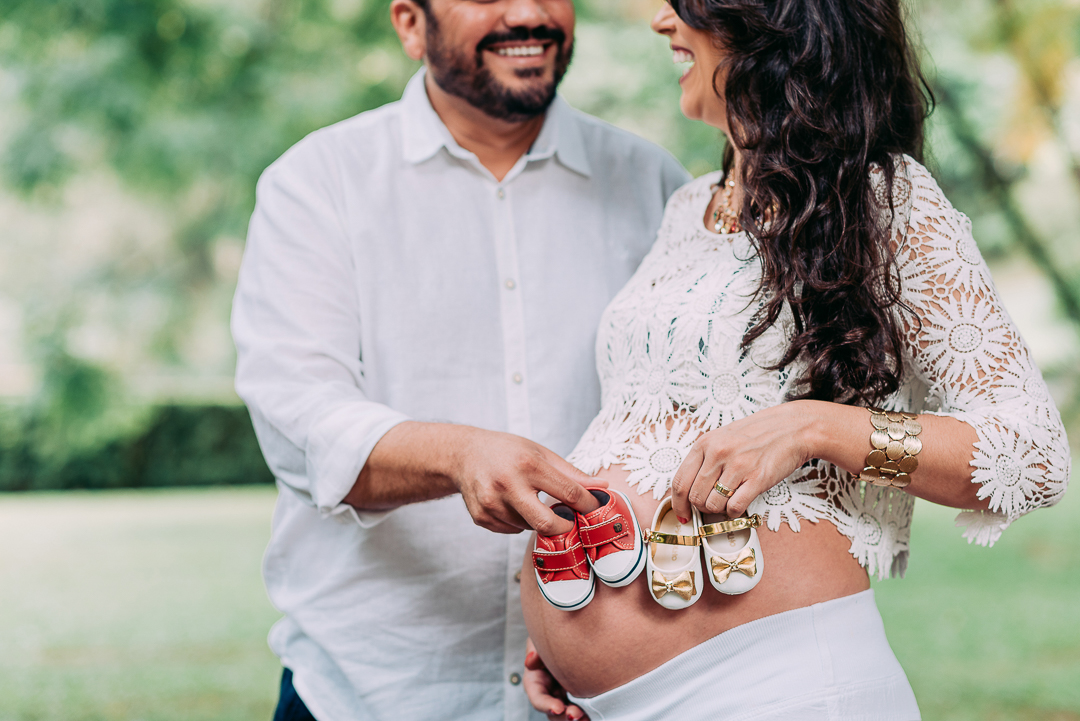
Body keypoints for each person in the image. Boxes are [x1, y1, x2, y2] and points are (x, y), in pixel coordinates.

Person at [521, 0, 1071, 718]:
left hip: (780, 687)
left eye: (683, 5)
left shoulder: (883, 199)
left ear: (768, 19)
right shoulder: (689, 207)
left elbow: (1032, 453)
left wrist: (815, 427)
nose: (661, 22)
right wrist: (580, 650)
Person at [230, 0, 690, 717]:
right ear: (411, 24)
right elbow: (300, 419)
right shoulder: (319, 181)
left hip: (593, 688)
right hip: (370, 691)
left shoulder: (654, 184)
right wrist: (460, 455)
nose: (528, 13)